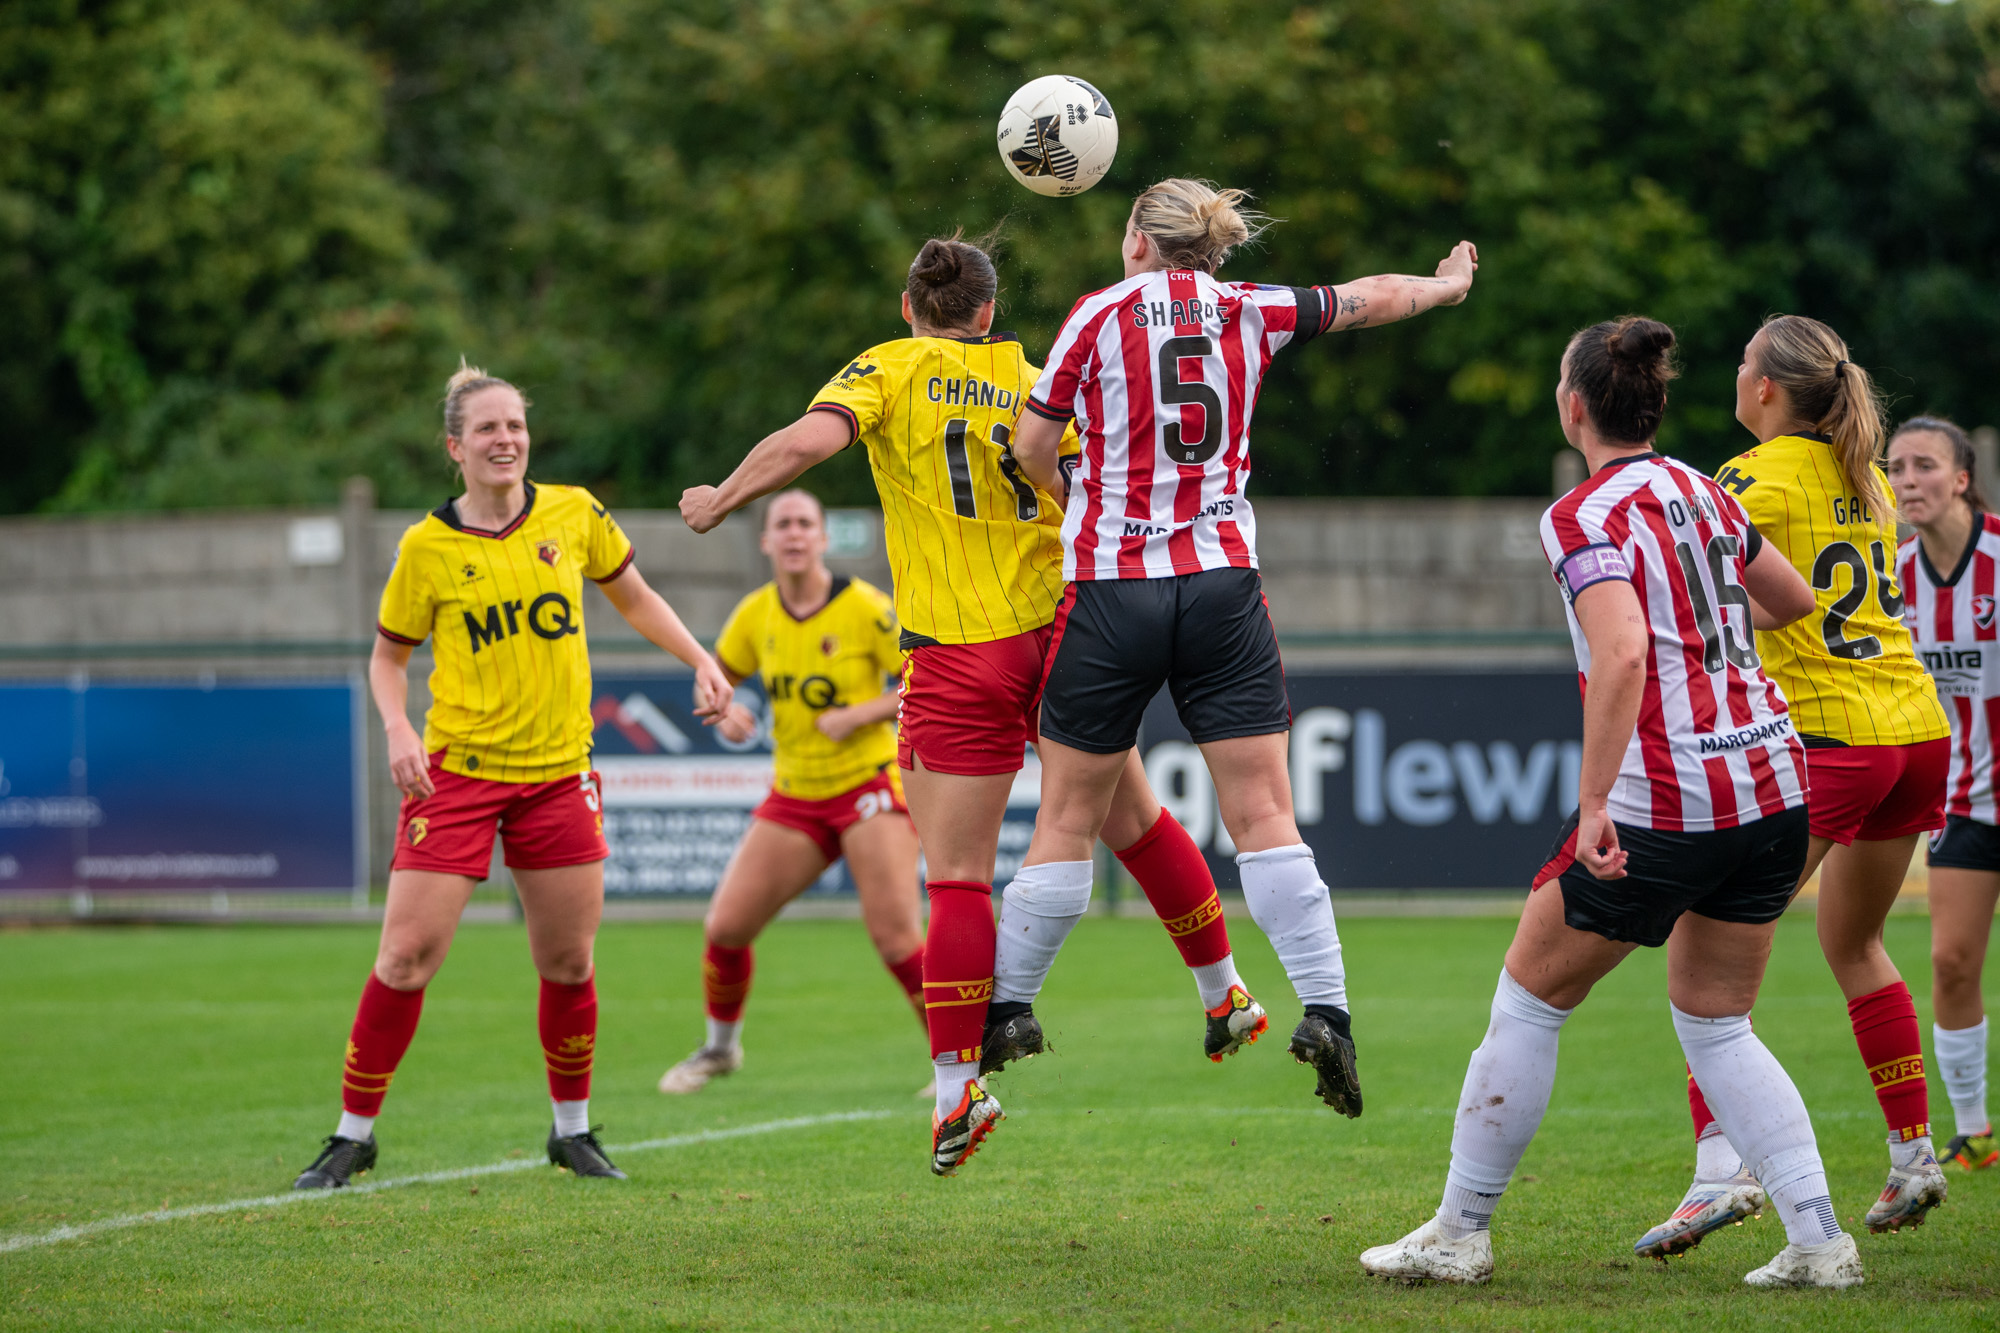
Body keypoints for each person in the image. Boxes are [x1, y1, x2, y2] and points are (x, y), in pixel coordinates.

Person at [680, 231, 1267, 1178]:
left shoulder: (889, 367)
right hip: (1067, 633)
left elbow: (806, 441)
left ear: (909, 308)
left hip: (961, 650)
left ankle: (959, 1089)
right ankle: (1223, 987)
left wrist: (722, 499)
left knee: (956, 876)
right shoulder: (1041, 374)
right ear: (990, 312)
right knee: (1134, 816)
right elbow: (1088, 481)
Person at [1360, 317, 1861, 1288]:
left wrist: (1593, 803)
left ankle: (1459, 1230)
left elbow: (1624, 650)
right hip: (1769, 785)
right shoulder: (1701, 492)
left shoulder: (1580, 513)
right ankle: (1815, 1241)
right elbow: (1791, 598)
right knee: (1717, 1023)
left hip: (1668, 800)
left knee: (1526, 997)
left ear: (1573, 404)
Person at [1007, 179, 1476, 1120]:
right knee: (1264, 813)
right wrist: (1443, 287)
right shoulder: (1253, 310)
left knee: (1065, 816)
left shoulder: (1095, 316)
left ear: (1137, 238)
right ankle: (1329, 1010)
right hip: (1223, 584)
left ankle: (1009, 1009)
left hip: (1113, 590)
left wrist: (1080, 499)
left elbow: (1031, 445)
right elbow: (1366, 297)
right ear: (1213, 248)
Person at [291, 363, 731, 1189]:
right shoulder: (426, 547)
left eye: (516, 427)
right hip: (455, 776)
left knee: (567, 961)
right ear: (455, 447)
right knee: (405, 958)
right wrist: (395, 727)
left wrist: (700, 657)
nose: (505, 440)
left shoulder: (574, 513)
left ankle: (572, 1131)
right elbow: (388, 660)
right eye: (487, 429)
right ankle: (353, 1134)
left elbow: (634, 596)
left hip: (559, 776)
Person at [1636, 317, 1951, 1255]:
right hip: (1914, 730)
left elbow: (1686, 580)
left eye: (1742, 365)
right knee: (1854, 941)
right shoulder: (1868, 475)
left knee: (1706, 965)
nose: (1735, 377)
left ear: (1767, 390)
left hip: (1826, 738)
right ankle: (1912, 1151)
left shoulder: (1751, 477)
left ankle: (1719, 1172)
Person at [657, 489, 927, 1094]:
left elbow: (920, 680)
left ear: (824, 538)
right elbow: (715, 681)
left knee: (896, 937)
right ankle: (720, 1049)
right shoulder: (756, 613)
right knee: (725, 928)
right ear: (766, 542)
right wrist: (721, 709)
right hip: (797, 792)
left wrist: (862, 714)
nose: (796, 534)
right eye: (784, 524)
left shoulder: (867, 608)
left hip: (867, 786)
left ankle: (958, 1063)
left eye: (807, 523)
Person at [1888, 416, 1999, 1173]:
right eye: (1895, 468)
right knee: (1953, 959)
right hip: (1965, 798)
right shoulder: (1892, 576)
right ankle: (1975, 1131)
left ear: (1961, 478)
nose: (1906, 481)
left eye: (1924, 466)